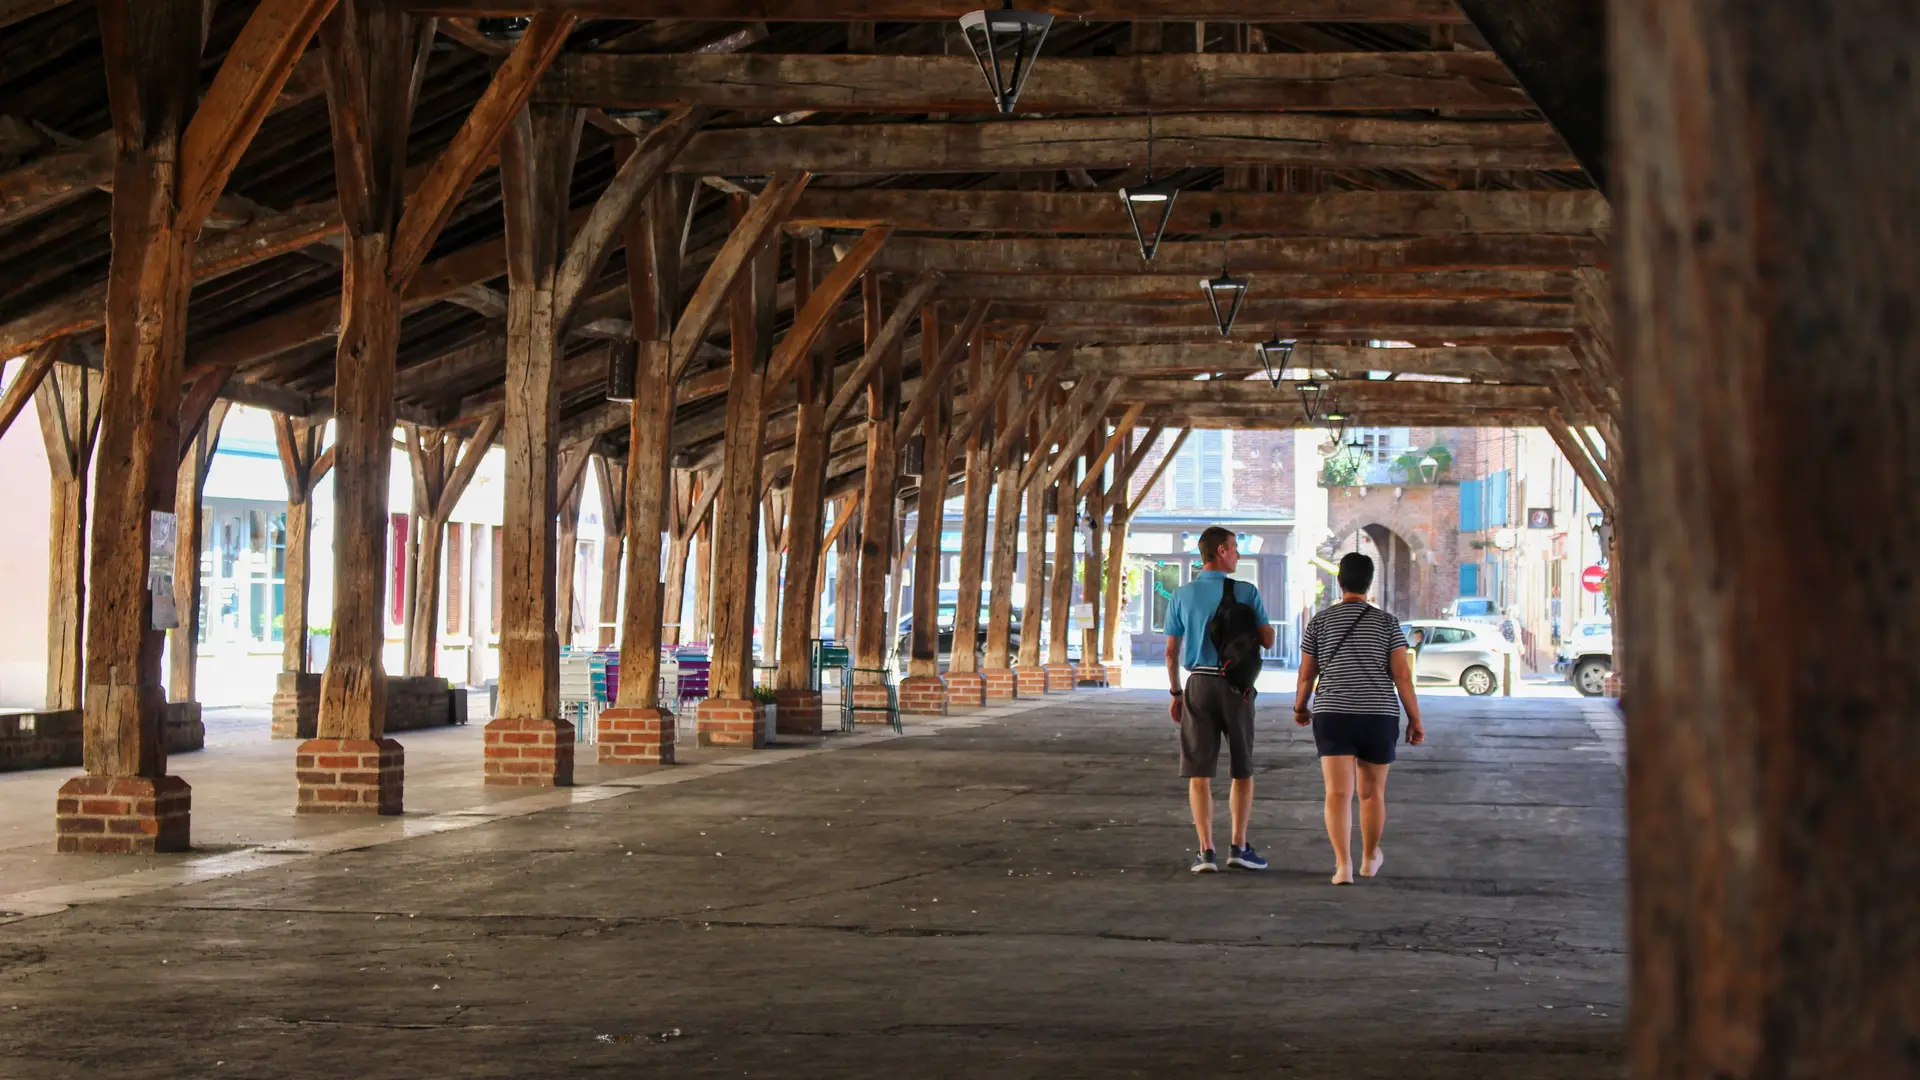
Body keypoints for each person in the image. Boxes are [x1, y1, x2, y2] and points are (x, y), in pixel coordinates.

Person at [1293, 553, 1425, 885]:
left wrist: (1300, 706)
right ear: (1370, 582)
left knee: (1337, 793)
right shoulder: (1387, 623)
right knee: (1372, 793)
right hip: (1377, 715)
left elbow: (1307, 674)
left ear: (1340, 582)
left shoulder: (1320, 622)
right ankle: (1369, 858)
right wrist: (1415, 719)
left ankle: (1342, 866)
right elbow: (1402, 677)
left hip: (1333, 713)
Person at [1165, 527, 1275, 873]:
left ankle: (1206, 852)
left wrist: (1176, 692)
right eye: (1235, 549)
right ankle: (1239, 847)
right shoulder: (1245, 592)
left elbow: (1171, 653)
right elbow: (1268, 640)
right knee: (1242, 770)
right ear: (1222, 551)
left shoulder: (1181, 595)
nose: (1238, 555)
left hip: (1198, 683)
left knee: (1200, 772)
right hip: (1236, 687)